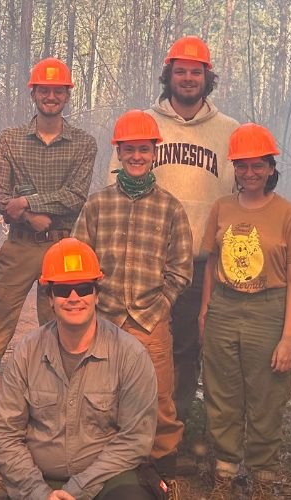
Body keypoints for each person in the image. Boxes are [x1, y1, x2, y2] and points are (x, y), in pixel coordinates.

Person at [106, 36, 241, 447]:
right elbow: (118, 185)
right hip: (147, 262)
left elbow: (243, 195)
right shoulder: (143, 124)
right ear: (168, 76)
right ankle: (124, 431)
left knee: (185, 348)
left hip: (203, 263)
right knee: (132, 346)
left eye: (195, 71)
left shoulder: (229, 131)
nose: (187, 78)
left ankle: (175, 431)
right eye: (180, 71)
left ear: (207, 77)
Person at [73, 109, 192, 497]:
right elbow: (78, 260)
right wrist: (90, 310)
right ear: (119, 153)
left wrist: (159, 308)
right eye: (129, 150)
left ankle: (162, 467)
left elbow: (181, 270)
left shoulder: (171, 208)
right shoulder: (97, 205)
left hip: (149, 318)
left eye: (144, 149)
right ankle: (103, 462)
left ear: (154, 152)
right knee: (99, 391)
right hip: (103, 317)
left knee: (159, 396)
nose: (137, 157)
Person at [0, 238, 159, 500]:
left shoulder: (130, 355)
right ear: (50, 298)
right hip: (38, 480)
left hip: (104, 480)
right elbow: (4, 433)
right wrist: (38, 492)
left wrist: (76, 490)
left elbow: (135, 438)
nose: (74, 298)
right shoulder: (27, 352)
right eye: (63, 290)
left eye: (83, 288)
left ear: (97, 294)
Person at [197, 124, 291, 500]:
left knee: (267, 395)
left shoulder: (289, 214)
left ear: (270, 168)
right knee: (222, 392)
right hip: (224, 307)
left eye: (257, 166)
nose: (249, 174)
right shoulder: (222, 208)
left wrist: (289, 337)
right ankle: (226, 471)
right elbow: (212, 261)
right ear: (234, 168)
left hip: (268, 309)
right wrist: (205, 310)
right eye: (242, 166)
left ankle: (263, 476)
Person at [0, 57, 98, 362]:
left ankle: (58, 393)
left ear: (67, 95)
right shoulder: (10, 141)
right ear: (32, 93)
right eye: (44, 90)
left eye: (58, 91)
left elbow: (75, 196)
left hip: (64, 246)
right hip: (20, 244)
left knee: (64, 324)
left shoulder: (84, 144)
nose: (51, 97)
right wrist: (29, 215)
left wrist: (27, 201)